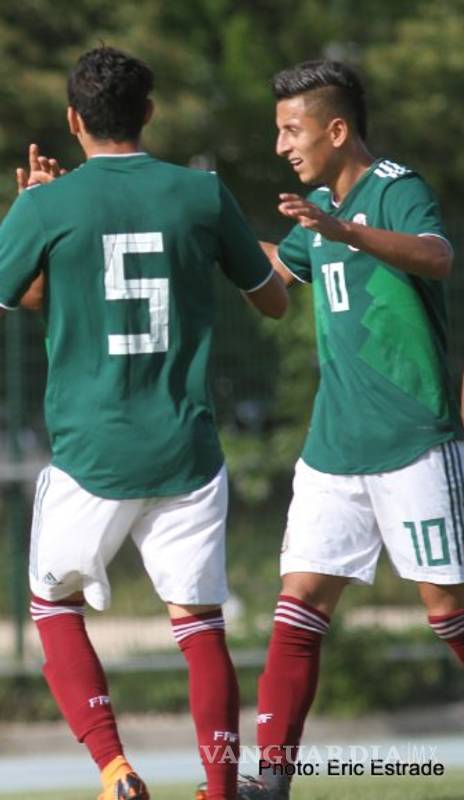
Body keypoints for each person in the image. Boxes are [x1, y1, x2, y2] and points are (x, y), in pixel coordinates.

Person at [0, 47, 288, 800]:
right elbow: (273, 301)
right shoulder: (201, 193)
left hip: (94, 451)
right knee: (199, 626)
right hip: (188, 446)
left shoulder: (45, 205)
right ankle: (221, 789)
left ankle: (115, 768)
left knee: (51, 606)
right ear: (148, 113)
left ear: (72, 120)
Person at [254, 60, 461, 800]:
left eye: (292, 128)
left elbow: (438, 257)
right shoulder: (316, 208)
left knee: (448, 611)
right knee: (299, 600)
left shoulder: (397, 188)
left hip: (413, 439)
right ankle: (270, 779)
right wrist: (204, 234)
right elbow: (281, 270)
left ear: (336, 130)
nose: (282, 144)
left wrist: (346, 230)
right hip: (335, 445)